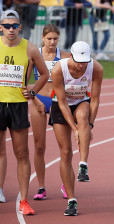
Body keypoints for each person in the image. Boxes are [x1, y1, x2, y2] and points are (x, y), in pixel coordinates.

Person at [0, 10, 49, 214]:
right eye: (7, 26)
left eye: (14, 25)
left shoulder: (30, 48)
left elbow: (45, 73)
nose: (11, 29)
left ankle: (24, 200)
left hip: (18, 105)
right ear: (1, 28)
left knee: (22, 153)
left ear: (20, 27)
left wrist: (33, 90)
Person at [50, 41, 103, 216]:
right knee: (65, 152)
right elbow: (63, 102)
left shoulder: (96, 68)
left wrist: (90, 124)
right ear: (70, 56)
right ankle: (72, 200)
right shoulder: (59, 69)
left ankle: (83, 165)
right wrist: (74, 129)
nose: (81, 66)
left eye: (85, 61)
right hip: (61, 106)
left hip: (81, 102)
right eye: (78, 61)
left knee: (83, 117)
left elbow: (94, 99)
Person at [27, 24, 70, 201]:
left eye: (55, 39)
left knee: (64, 148)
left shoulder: (65, 56)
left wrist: (60, 101)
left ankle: (66, 183)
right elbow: (24, 81)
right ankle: (41, 187)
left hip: (57, 101)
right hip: (39, 100)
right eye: (49, 39)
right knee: (39, 146)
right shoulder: (34, 55)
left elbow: (70, 82)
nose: (52, 42)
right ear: (43, 38)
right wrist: (35, 100)